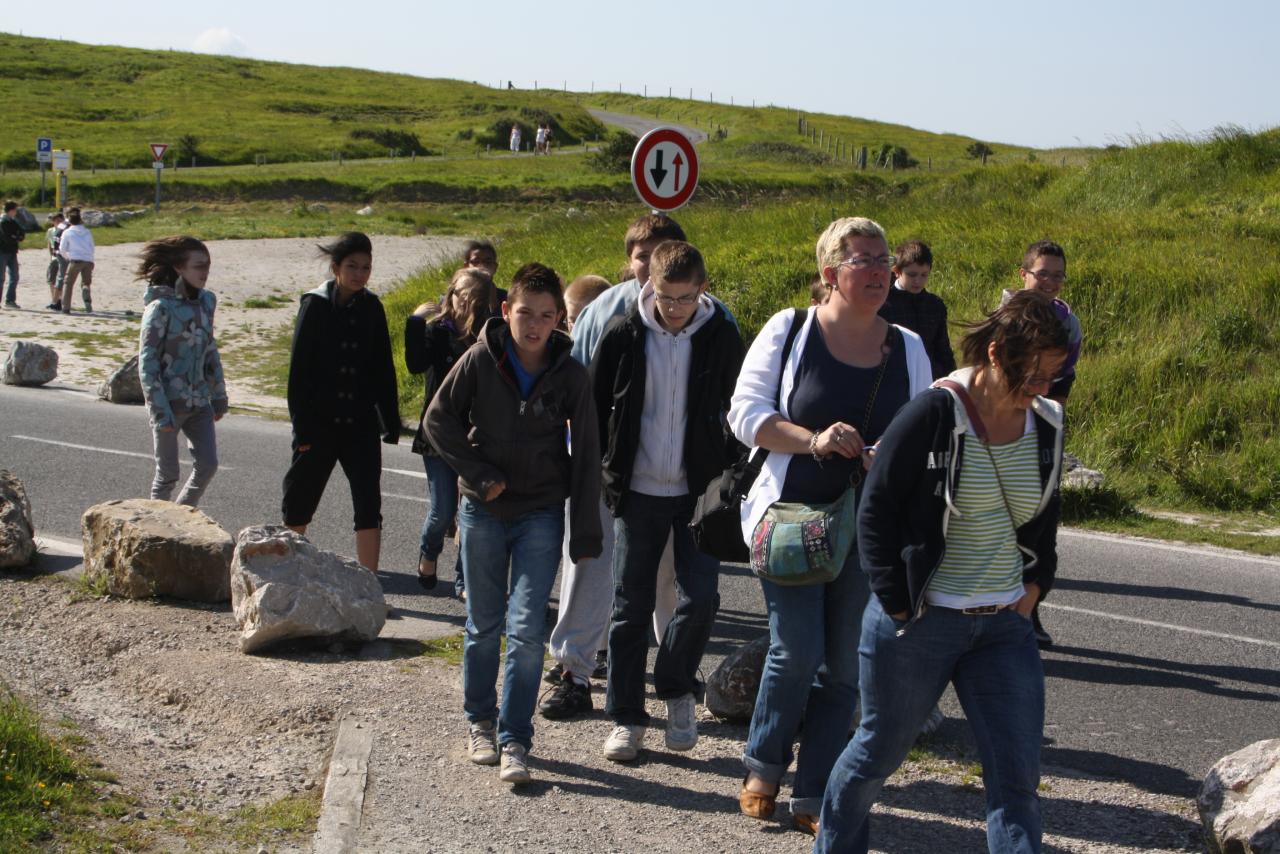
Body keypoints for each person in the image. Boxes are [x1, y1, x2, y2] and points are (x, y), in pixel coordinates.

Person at [814, 290, 1069, 854]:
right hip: (920, 625)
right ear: (999, 353)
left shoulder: (1047, 423)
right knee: (876, 755)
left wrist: (1033, 590)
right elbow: (875, 509)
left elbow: (1044, 521)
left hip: (1004, 627)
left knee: (1017, 780)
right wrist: (898, 603)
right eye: (1034, 375)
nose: (1043, 390)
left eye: (1054, 376)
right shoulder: (934, 413)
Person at [727, 217, 932, 835]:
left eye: (883, 259)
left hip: (869, 529)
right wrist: (814, 439)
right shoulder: (790, 329)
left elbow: (924, 433)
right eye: (862, 260)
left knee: (845, 667)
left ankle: (813, 792)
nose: (877, 271)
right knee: (796, 649)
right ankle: (764, 762)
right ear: (829, 274)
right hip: (789, 518)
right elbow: (745, 415)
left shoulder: (910, 347)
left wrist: (884, 457)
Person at [425, 262, 602, 786]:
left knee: (526, 632)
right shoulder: (482, 359)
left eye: (547, 316)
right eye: (525, 313)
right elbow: (438, 420)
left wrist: (586, 530)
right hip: (483, 509)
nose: (534, 325)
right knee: (484, 625)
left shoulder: (571, 375)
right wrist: (479, 476)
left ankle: (515, 738)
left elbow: (588, 452)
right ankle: (479, 719)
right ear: (507, 310)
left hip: (541, 513)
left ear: (560, 321)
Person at [538, 214, 711, 719]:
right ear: (630, 258)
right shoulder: (602, 312)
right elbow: (578, 391)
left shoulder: (707, 317)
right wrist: (584, 464)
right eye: (642, 254)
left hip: (677, 479)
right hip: (609, 473)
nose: (650, 263)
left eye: (662, 251)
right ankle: (573, 671)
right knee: (589, 567)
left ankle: (676, 672)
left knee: (667, 578)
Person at [592, 240, 745, 761]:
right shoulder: (622, 334)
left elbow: (740, 411)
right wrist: (604, 476)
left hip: (699, 494)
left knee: (700, 598)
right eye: (664, 296)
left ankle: (676, 686)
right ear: (648, 286)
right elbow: (595, 411)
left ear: (703, 288)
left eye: (684, 297)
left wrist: (732, 477)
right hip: (637, 491)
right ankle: (625, 718)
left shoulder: (723, 336)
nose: (674, 308)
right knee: (629, 608)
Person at [281, 232, 399, 572]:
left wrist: (389, 422)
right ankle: (289, 573)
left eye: (366, 267)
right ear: (336, 267)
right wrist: (302, 431)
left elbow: (382, 366)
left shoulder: (372, 306)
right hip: (317, 425)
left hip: (359, 424)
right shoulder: (314, 305)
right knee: (300, 497)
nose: (359, 274)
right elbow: (298, 373)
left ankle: (370, 583)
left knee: (368, 502)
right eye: (352, 266)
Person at [1001, 239, 1081, 648]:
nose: (1049, 281)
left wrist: (1046, 427)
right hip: (1000, 434)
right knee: (1004, 529)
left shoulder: (1069, 322)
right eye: (1042, 273)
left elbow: (1061, 389)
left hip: (1042, 430)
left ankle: (1030, 612)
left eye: (1057, 274)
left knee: (1042, 531)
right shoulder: (1005, 320)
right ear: (1024, 275)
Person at [404, 268, 494, 591]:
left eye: (472, 299)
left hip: (474, 435)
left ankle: (463, 578)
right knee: (443, 511)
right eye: (459, 295)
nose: (463, 304)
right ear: (450, 294)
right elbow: (415, 363)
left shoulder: (486, 336)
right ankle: (428, 553)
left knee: (469, 513)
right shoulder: (436, 332)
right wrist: (415, 321)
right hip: (438, 435)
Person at [137, 236, 227, 507]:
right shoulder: (159, 308)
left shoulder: (207, 303)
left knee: (208, 465)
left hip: (199, 402)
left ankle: (182, 516)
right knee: (167, 475)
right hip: (168, 404)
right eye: (198, 266)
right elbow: (147, 364)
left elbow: (210, 350)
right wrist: (160, 411)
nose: (205, 272)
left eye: (207, 266)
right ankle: (153, 530)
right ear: (179, 268)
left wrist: (219, 394)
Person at [879, 240, 956, 379]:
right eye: (912, 275)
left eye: (924, 275)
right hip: (894, 378)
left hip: (929, 377)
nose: (918, 281)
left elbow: (943, 349)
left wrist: (951, 380)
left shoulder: (935, 305)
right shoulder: (882, 304)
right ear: (896, 271)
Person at [58, 208, 96, 314]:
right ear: (80, 220)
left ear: (69, 221)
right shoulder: (87, 232)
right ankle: (86, 292)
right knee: (86, 282)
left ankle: (66, 307)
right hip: (88, 260)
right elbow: (92, 247)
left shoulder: (67, 232)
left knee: (68, 283)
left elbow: (62, 249)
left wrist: (67, 257)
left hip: (75, 260)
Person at [1, 201, 26, 309]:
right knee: (1, 278)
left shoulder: (13, 221)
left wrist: (17, 237)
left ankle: (10, 300)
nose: (16, 212)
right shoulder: (2, 221)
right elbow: (6, 237)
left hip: (12, 252)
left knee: (14, 277)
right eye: (15, 210)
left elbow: (21, 232)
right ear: (11, 210)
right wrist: (15, 238)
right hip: (2, 252)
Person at [44, 212, 67, 310]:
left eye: (59, 221)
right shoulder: (51, 231)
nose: (57, 223)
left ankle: (60, 300)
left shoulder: (65, 231)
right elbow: (50, 243)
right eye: (55, 221)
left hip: (62, 257)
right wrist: (51, 255)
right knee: (51, 279)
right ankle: (54, 299)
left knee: (61, 279)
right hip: (54, 257)